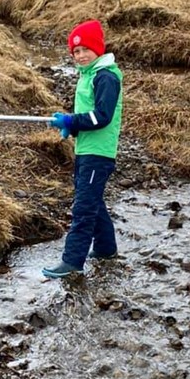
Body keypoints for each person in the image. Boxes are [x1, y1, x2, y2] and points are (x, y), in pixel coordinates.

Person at [42, 19, 123, 279]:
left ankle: (72, 261)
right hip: (87, 149)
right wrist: (73, 128)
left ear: (97, 48)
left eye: (85, 49)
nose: (81, 55)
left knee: (84, 207)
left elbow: (102, 116)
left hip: (99, 153)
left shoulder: (105, 76)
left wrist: (71, 120)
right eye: (76, 52)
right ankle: (105, 250)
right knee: (93, 201)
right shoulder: (88, 75)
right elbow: (90, 117)